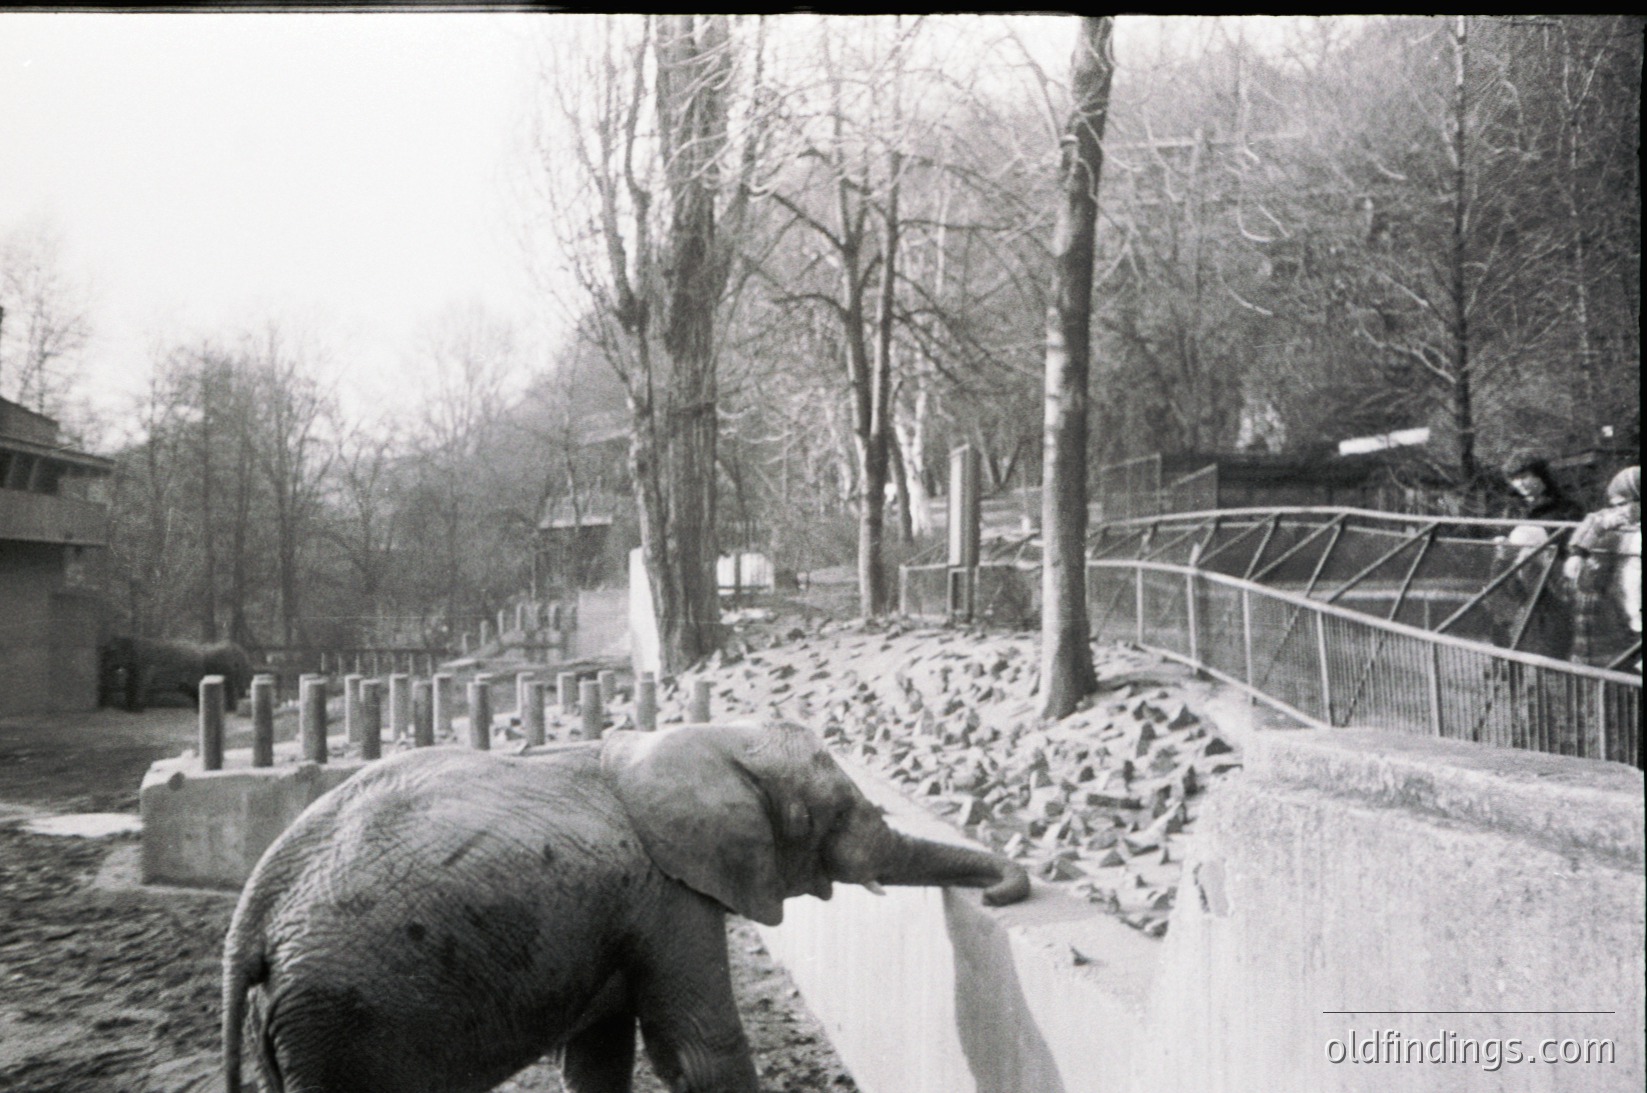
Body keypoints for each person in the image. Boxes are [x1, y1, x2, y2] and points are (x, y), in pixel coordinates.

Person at [1565, 465, 1641, 670]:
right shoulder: (1621, 520)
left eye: (1622, 503)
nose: (1617, 510)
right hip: (1626, 613)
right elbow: (1595, 518)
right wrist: (1578, 552)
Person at [1501, 451, 1586, 523]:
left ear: (1540, 476)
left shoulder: (1567, 508)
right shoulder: (1512, 510)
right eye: (1514, 479)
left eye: (1524, 477)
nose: (1519, 483)